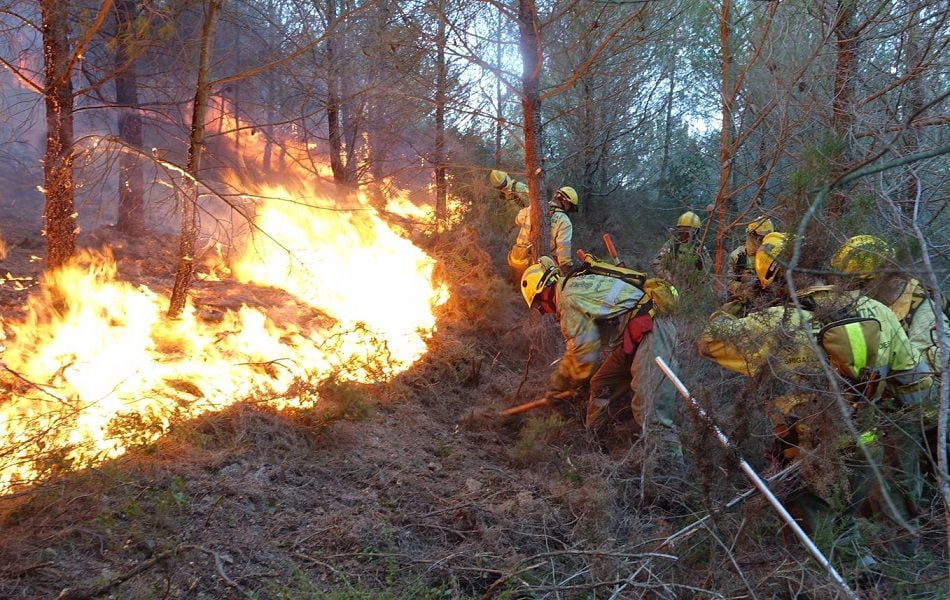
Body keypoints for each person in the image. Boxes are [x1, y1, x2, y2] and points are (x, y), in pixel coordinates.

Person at [699, 232, 931, 549]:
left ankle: (819, 574)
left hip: (807, 454)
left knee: (811, 542)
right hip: (865, 449)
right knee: (844, 526)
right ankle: (860, 569)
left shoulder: (779, 321)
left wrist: (736, 304)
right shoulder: (879, 311)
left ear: (775, 279)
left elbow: (709, 341)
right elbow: (917, 383)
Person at [520, 257, 679, 446]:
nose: (545, 311)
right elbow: (577, 349)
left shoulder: (567, 300)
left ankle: (666, 460)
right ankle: (595, 443)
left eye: (539, 306)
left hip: (653, 328)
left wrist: (568, 385)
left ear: (545, 292)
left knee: (651, 415)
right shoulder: (574, 285)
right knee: (602, 384)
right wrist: (561, 384)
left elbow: (585, 354)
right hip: (633, 335)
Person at [831, 235, 948, 373]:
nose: (853, 288)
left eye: (861, 283)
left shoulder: (924, 312)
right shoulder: (876, 300)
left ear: (886, 275)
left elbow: (929, 374)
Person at [490, 170, 532, 282]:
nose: (502, 188)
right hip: (514, 229)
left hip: (526, 228)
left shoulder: (519, 187)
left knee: (525, 258)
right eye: (499, 187)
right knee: (515, 258)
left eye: (503, 184)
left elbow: (533, 206)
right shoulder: (505, 194)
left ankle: (524, 281)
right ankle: (515, 281)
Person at [652, 211, 710, 288]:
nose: (682, 235)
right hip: (670, 286)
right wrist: (666, 275)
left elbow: (706, 273)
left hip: (690, 290)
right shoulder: (671, 245)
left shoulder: (700, 249)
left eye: (686, 232)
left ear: (695, 233)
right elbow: (656, 264)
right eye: (680, 232)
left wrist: (700, 264)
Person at [726, 216, 774, 301]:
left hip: (769, 298)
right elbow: (728, 282)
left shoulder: (774, 254)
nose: (764, 241)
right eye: (761, 238)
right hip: (745, 299)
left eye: (767, 237)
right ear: (752, 235)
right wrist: (743, 288)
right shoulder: (738, 256)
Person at [549, 186, 578, 276]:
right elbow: (563, 247)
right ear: (564, 201)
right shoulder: (564, 221)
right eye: (570, 205)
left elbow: (518, 220)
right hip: (543, 262)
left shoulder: (537, 207)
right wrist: (566, 268)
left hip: (518, 257)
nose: (569, 209)